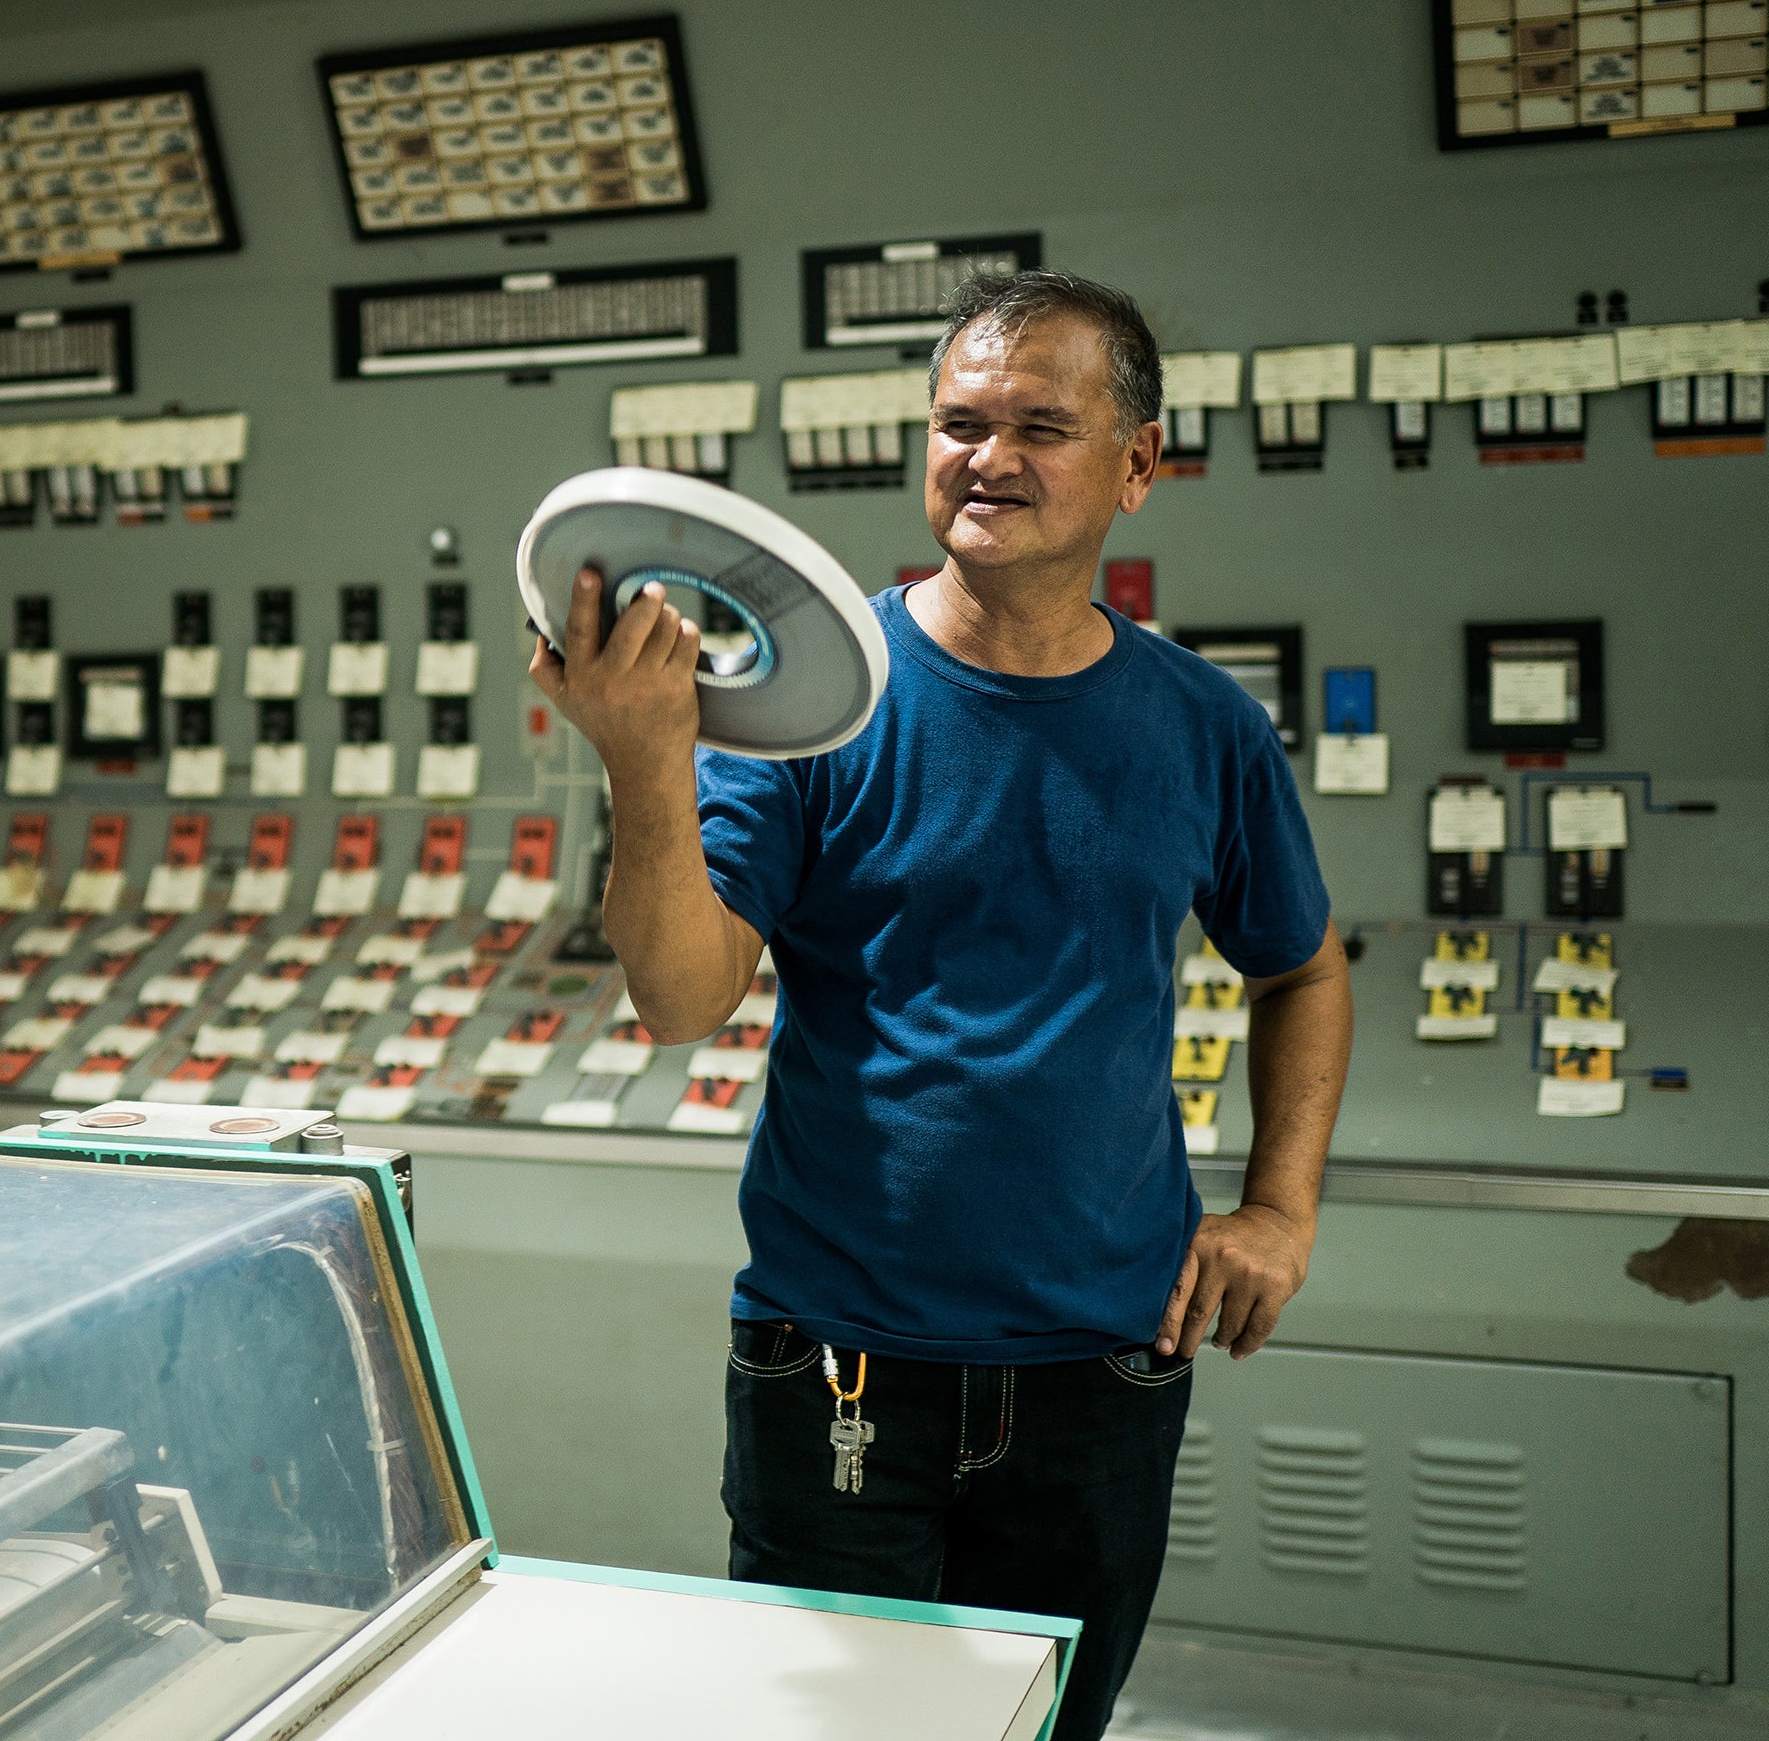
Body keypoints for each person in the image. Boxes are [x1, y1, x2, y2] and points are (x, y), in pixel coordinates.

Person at [526, 270, 1352, 1741]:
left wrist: (1278, 1210)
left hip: (1104, 1364)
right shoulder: (811, 706)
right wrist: (646, 760)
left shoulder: (1203, 726)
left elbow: (1301, 968)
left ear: (1139, 467)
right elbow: (679, 997)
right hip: (839, 1360)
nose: (990, 458)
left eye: (1043, 425)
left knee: (1052, 1728)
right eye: (961, 422)